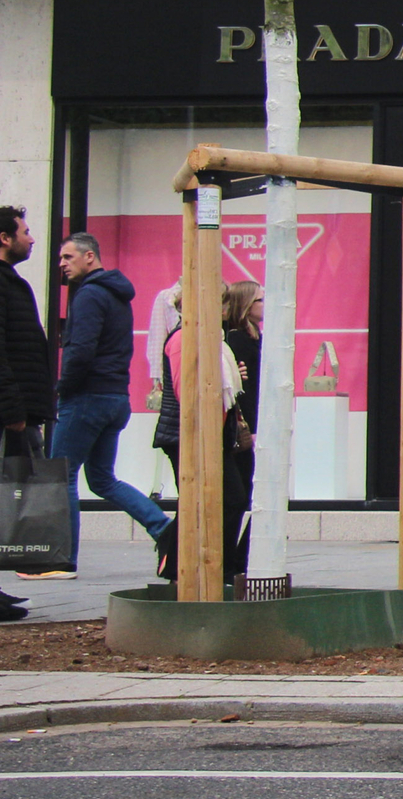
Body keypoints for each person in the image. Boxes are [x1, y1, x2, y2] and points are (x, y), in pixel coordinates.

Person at [50, 232, 169, 567]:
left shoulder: (89, 295)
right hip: (115, 397)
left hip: (87, 397)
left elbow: (81, 350)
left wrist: (62, 387)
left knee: (63, 476)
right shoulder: (119, 295)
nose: (62, 264)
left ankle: (61, 559)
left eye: (68, 257)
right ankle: (163, 527)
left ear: (90, 257)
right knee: (102, 479)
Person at [151, 290, 250, 579]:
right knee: (216, 499)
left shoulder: (216, 340)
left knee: (218, 499)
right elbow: (187, 392)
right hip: (188, 435)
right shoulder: (184, 338)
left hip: (211, 434)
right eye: (220, 302)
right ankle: (181, 564)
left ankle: (206, 566)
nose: (225, 308)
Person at [0, 206, 52, 618]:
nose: (32, 239)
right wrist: (13, 407)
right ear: (4, 238)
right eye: (26, 231)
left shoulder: (10, 282)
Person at [222, 281, 263, 416]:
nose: (266, 304)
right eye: (261, 300)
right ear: (247, 304)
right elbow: (246, 388)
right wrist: (251, 426)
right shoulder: (238, 339)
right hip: (249, 418)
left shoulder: (255, 336)